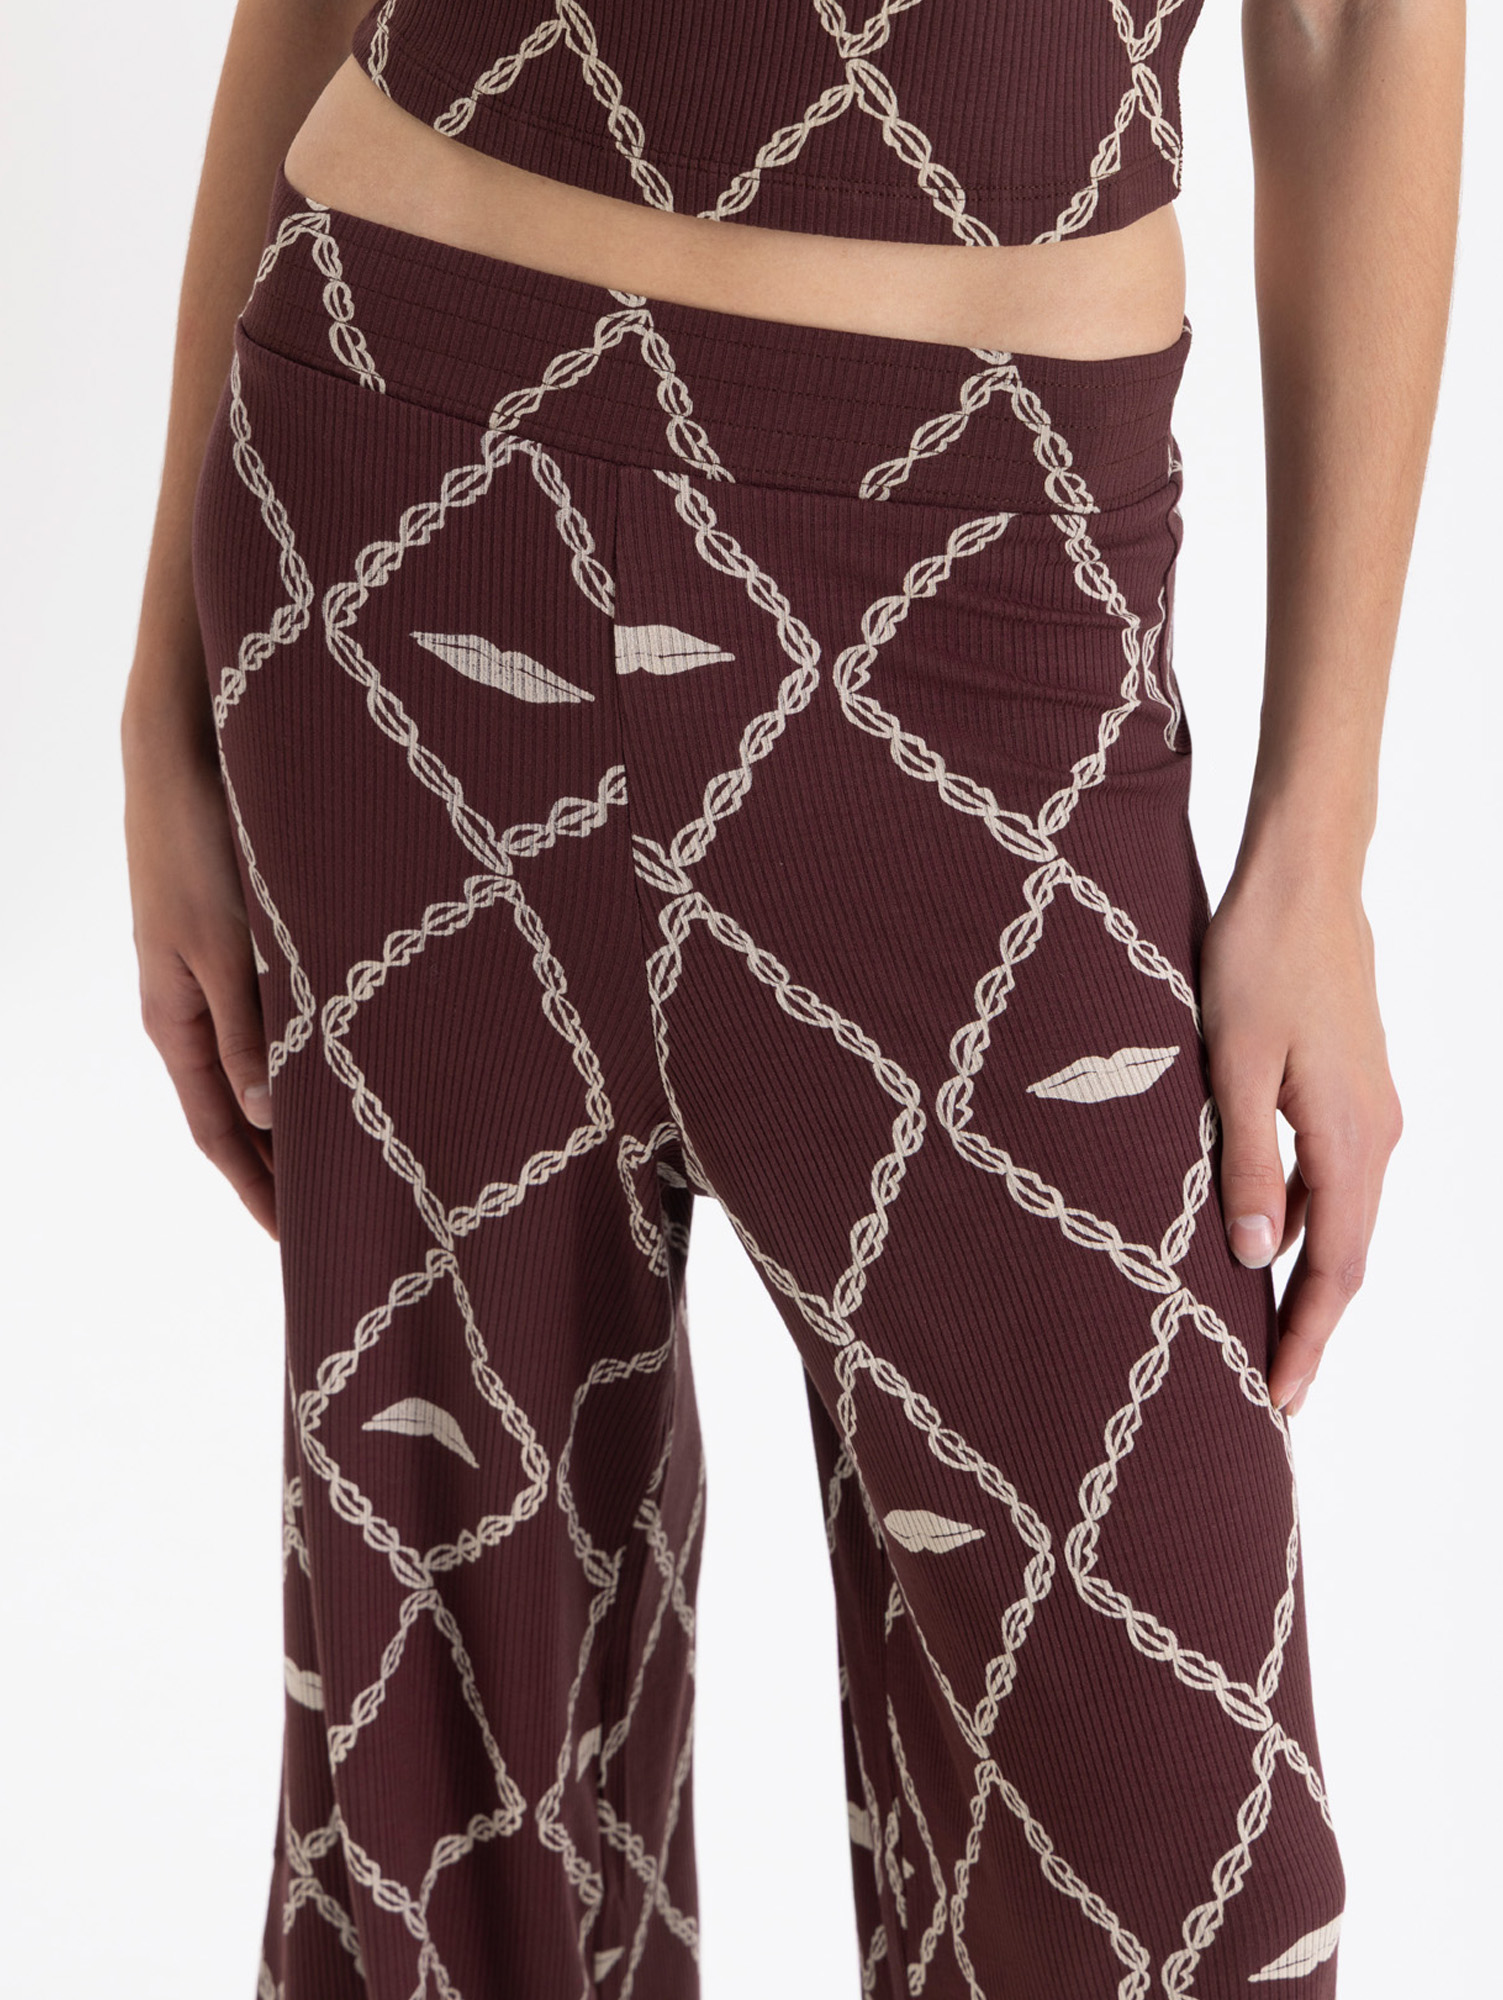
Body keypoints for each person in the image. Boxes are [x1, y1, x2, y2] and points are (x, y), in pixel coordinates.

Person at [120, 1, 1463, 1994]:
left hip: (986, 595)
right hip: (402, 487)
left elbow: (1356, 27)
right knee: (446, 1773)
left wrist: (1314, 848)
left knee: (1177, 1875)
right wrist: (163, 684)